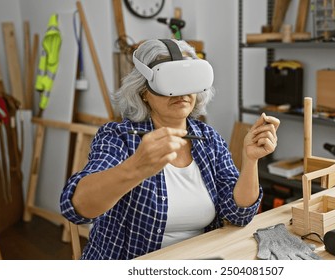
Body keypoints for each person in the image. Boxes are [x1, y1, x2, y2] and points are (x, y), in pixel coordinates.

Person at [60, 39, 280, 260]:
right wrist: (135, 168)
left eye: (188, 80)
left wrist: (250, 160)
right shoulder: (119, 137)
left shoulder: (209, 139)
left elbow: (238, 214)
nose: (181, 91)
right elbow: (76, 208)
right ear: (143, 91)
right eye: (170, 80)